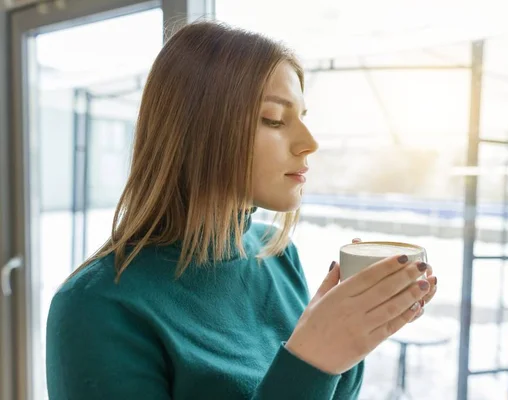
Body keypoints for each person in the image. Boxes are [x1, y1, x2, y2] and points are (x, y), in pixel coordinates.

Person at [45, 21, 438, 400]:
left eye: (302, 117)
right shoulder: (96, 307)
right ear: (196, 128)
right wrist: (315, 357)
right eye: (274, 119)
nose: (309, 142)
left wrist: (352, 337)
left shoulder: (279, 255)